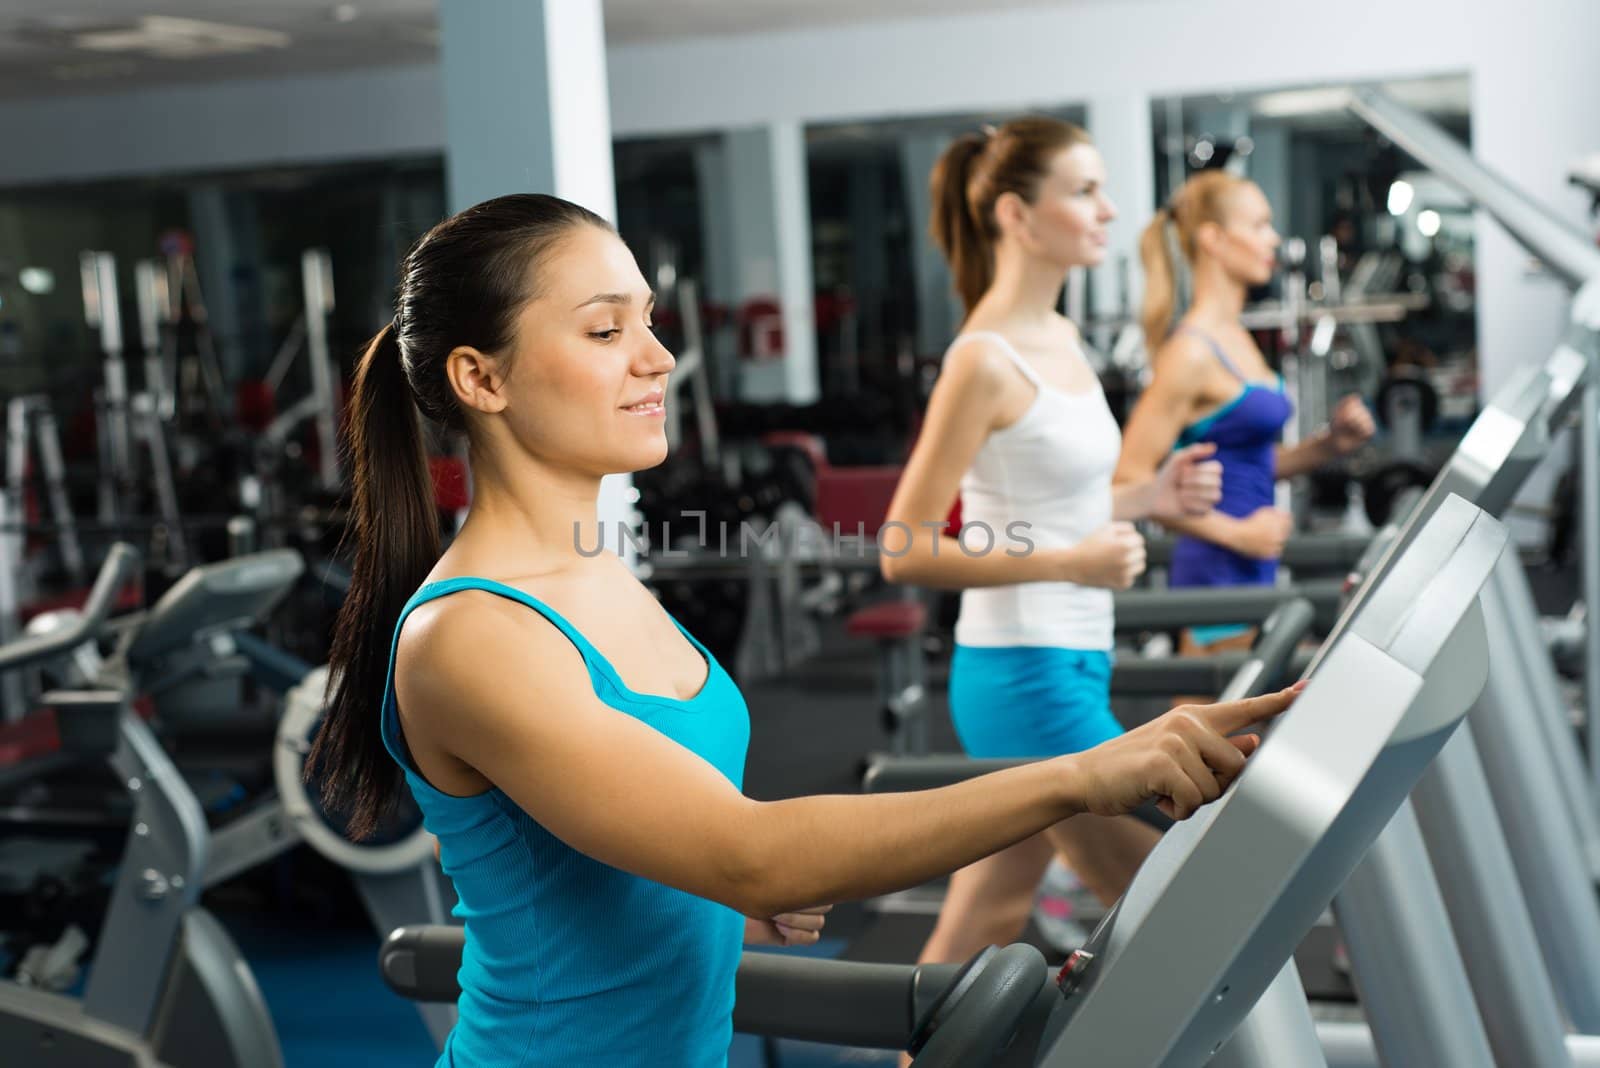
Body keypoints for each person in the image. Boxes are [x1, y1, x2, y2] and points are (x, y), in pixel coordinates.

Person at [305, 193, 1296, 1067]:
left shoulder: (588, 565)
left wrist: (698, 888)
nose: (658, 358)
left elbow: (668, 829)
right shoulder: (473, 633)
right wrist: (1086, 774)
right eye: (606, 331)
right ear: (481, 379)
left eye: (648, 322)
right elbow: (754, 850)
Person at [879, 117, 1225, 994]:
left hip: (1073, 660)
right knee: (1171, 914)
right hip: (1022, 676)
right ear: (1016, 216)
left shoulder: (1062, 338)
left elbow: (1052, 507)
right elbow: (904, 548)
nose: (1109, 209)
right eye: (1084, 191)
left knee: (982, 920)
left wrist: (1147, 501)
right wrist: (1070, 564)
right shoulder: (981, 361)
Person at [1116, 170, 1376, 655]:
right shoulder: (1191, 352)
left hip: (1255, 563)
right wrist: (1237, 534)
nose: (1272, 239)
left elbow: (1251, 463)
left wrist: (1328, 445)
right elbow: (1129, 479)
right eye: (1258, 226)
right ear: (1213, 239)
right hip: (1216, 571)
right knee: (1219, 726)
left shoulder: (1233, 336)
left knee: (1240, 725)